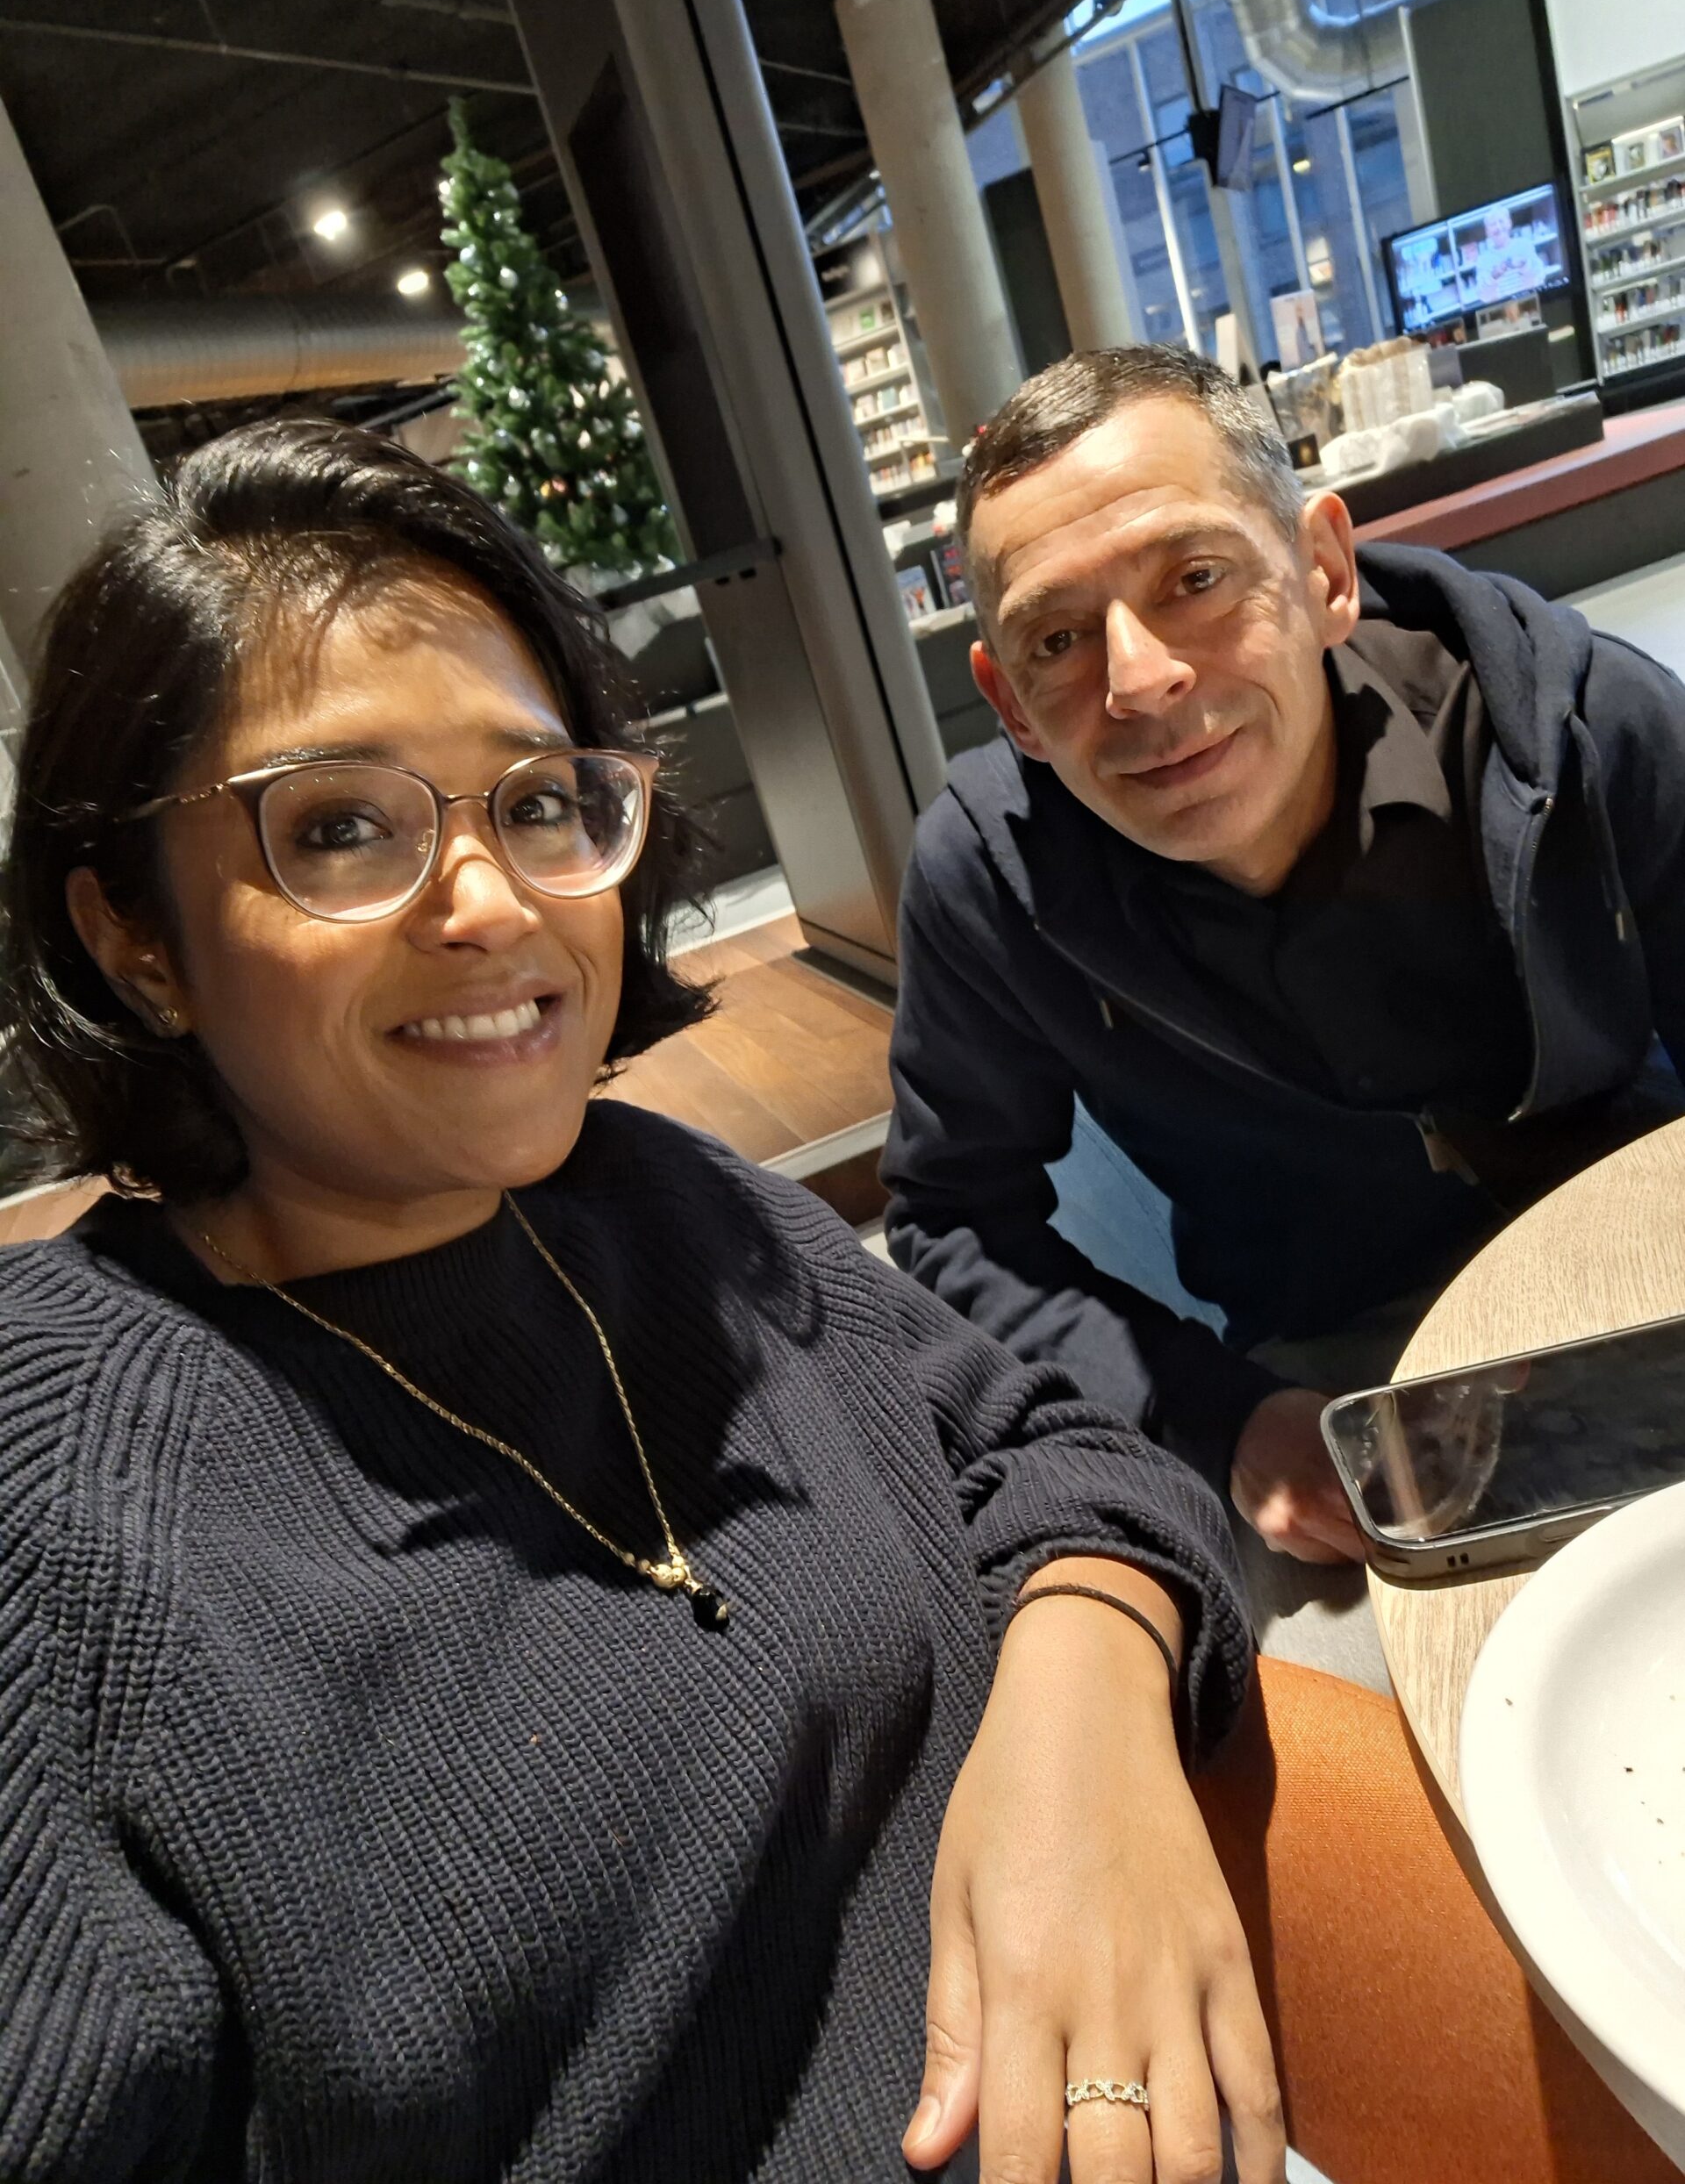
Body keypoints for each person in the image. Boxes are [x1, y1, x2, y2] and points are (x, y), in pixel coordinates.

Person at [0, 417, 1288, 2183]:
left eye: (537, 802)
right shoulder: (56, 1490)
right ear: (136, 937)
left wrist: (1084, 1717)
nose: (491, 902)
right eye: (341, 827)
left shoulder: (668, 1205)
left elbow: (1056, 1453)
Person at [881, 346, 1685, 1640]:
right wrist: (1225, 1418)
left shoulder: (1577, 725)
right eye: (1057, 639)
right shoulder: (986, 882)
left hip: (1641, 1253)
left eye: (1195, 579)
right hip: (1334, 1377)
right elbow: (952, 1221)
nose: (1139, 680)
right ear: (1009, 704)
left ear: (1322, 570)